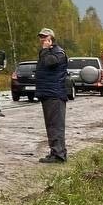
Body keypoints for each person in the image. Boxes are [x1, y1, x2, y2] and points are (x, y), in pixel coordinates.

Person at [36, 28, 69, 163]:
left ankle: (59, 155)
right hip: (48, 93)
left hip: (55, 94)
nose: (42, 40)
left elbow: (50, 62)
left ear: (51, 39)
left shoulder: (58, 52)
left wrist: (44, 50)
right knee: (51, 125)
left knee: (56, 125)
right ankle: (55, 152)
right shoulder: (48, 52)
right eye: (41, 37)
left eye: (45, 37)